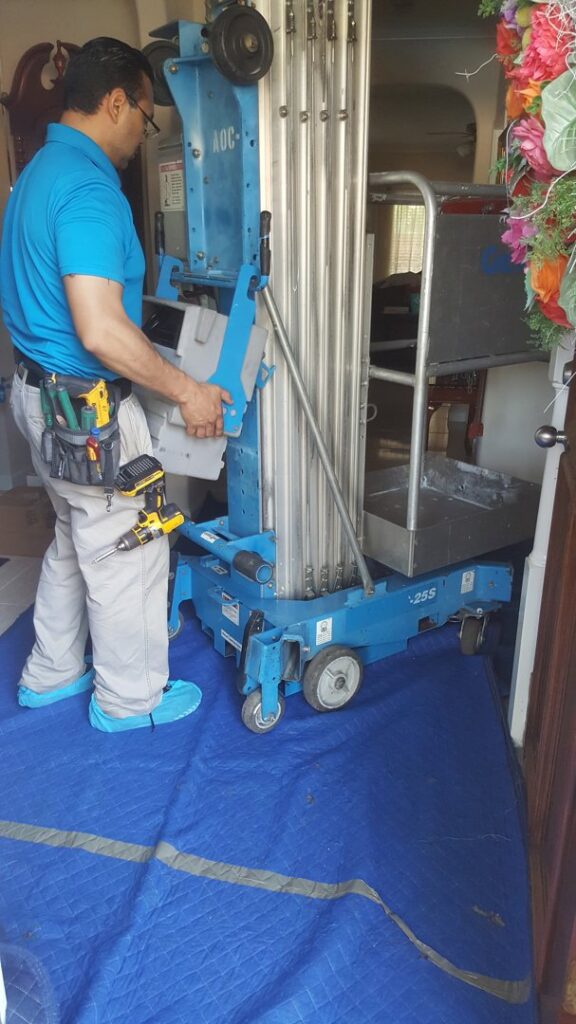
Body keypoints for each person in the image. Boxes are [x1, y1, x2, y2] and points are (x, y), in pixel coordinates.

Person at [0, 37, 231, 732]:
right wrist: (187, 390)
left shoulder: (36, 175)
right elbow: (100, 329)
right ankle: (130, 700)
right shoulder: (89, 188)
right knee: (131, 545)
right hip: (86, 409)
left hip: (37, 395)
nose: (141, 135)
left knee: (77, 535)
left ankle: (50, 673)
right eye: (146, 118)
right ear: (116, 101)